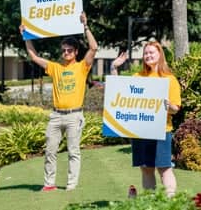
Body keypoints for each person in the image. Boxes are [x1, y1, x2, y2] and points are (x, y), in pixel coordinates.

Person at [19, 12, 98, 191]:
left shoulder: (82, 67)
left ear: (76, 52)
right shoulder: (55, 67)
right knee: (50, 151)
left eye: (69, 50)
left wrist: (85, 25)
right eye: (63, 50)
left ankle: (71, 185)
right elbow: (34, 57)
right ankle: (49, 184)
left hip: (74, 115)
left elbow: (94, 47)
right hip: (56, 116)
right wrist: (25, 36)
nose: (66, 53)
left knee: (73, 152)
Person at [110, 41, 181, 197]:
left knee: (164, 169)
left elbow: (175, 109)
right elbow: (118, 90)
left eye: (151, 52)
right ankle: (150, 203)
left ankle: (171, 203)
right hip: (141, 132)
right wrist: (114, 67)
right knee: (146, 169)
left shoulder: (169, 79)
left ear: (159, 55)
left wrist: (167, 106)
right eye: (145, 53)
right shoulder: (138, 77)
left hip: (162, 131)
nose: (148, 55)